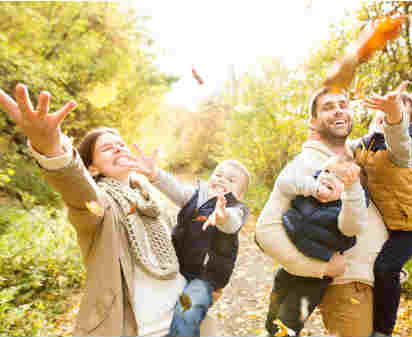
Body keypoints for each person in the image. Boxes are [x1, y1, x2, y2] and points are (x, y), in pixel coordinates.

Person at [0, 84, 208, 336]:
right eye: (108, 148)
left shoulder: (151, 200)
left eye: (121, 144)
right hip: (144, 329)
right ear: (94, 168)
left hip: (186, 320)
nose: (119, 148)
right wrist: (51, 149)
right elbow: (78, 190)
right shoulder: (99, 206)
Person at [256, 87, 412, 337]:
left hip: (378, 283)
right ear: (313, 122)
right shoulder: (305, 164)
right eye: (328, 106)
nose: (338, 109)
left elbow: (400, 164)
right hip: (349, 285)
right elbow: (265, 232)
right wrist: (320, 268)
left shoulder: (363, 154)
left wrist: (407, 242)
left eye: (343, 104)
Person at [129, 153, 250, 337]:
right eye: (218, 174)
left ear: (239, 195)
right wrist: (154, 174)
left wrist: (222, 217)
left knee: (187, 309)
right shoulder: (193, 197)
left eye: (231, 180)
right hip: (177, 267)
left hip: (204, 277)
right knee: (157, 307)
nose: (222, 179)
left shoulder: (235, 210)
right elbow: (174, 187)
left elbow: (232, 222)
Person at [356, 84, 412, 337]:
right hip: (389, 222)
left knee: (384, 268)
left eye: (397, 112)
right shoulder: (365, 144)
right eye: (381, 111)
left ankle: (383, 330)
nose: (385, 115)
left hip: (411, 226)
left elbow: (399, 143)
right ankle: (395, 273)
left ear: (408, 123)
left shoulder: (408, 145)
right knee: (379, 265)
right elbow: (341, 153)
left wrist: (394, 117)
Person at [264, 155, 367, 336]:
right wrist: (312, 187)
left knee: (290, 318)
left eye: (338, 176)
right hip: (291, 265)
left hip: (315, 276)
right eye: (326, 171)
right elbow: (284, 183)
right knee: (274, 308)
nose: (328, 176)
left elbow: (351, 223)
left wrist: (352, 192)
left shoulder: (346, 209)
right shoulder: (308, 189)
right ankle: (270, 330)